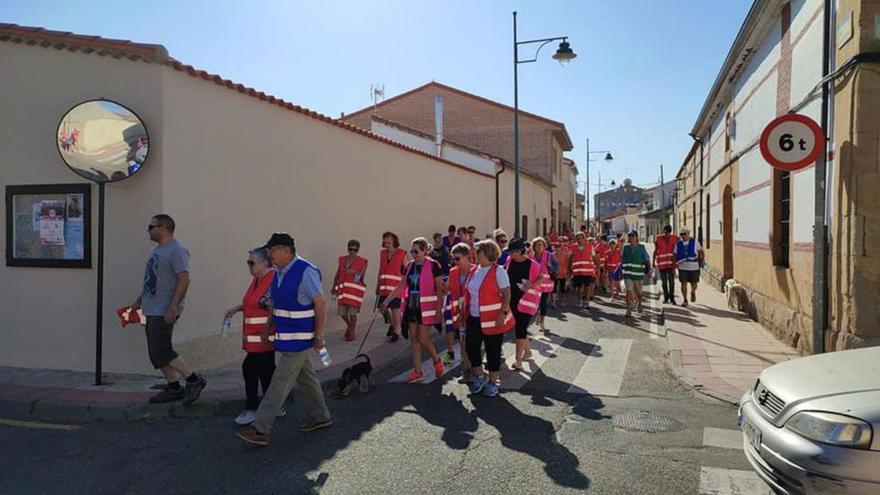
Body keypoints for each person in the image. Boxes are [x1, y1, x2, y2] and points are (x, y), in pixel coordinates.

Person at [237, 233, 332, 446]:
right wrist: (269, 326)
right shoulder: (279, 272)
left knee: (280, 381)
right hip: (287, 338)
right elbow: (276, 303)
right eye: (268, 251)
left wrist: (319, 335)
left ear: (287, 251)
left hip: (300, 339)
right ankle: (321, 416)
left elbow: (321, 304)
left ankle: (261, 428)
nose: (269, 254)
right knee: (306, 378)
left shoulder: (305, 271)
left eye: (272, 250)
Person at [130, 214, 206, 404]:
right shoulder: (159, 250)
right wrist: (140, 300)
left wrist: (173, 307)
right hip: (152, 307)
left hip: (164, 309)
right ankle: (173, 387)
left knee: (161, 350)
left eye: (151, 226)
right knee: (155, 352)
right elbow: (154, 278)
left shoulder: (177, 249)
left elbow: (184, 279)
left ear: (163, 228)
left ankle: (194, 379)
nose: (148, 230)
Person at [223, 247, 277, 426]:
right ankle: (274, 407)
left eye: (251, 262)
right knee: (265, 373)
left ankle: (252, 408)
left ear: (264, 263)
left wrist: (266, 330)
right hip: (254, 338)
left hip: (263, 338)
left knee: (251, 369)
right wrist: (237, 308)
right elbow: (253, 302)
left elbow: (271, 307)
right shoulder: (257, 280)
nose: (248, 265)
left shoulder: (271, 280)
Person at [381, 238, 445, 383]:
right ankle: (417, 371)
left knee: (423, 339)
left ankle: (436, 359)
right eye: (412, 251)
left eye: (416, 251)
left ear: (424, 251)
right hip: (412, 306)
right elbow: (401, 286)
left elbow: (440, 289)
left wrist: (439, 309)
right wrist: (387, 301)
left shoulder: (434, 265)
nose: (414, 254)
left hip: (426, 308)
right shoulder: (409, 266)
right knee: (414, 340)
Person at [464, 240, 514, 397]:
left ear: (486, 253)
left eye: (478, 251)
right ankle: (480, 376)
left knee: (493, 351)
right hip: (474, 317)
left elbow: (506, 294)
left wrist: (503, 313)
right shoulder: (474, 270)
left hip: (493, 318)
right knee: (471, 347)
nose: (475, 254)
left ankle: (493, 382)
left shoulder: (498, 271)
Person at [505, 238, 542, 371]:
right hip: (512, 301)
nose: (510, 254)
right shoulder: (509, 261)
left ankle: (518, 361)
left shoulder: (532, 265)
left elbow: (541, 277)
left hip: (526, 303)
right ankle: (528, 352)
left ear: (520, 251)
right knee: (520, 329)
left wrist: (532, 284)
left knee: (519, 330)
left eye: (513, 252)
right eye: (510, 252)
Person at [447, 243, 477, 383]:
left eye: (457, 258)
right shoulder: (453, 272)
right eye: (453, 259)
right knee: (463, 343)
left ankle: (476, 370)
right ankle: (466, 370)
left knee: (472, 343)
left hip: (474, 313)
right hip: (459, 314)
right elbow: (449, 290)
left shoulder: (476, 271)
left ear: (467, 257)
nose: (455, 262)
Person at [331, 240, 368, 342]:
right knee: (342, 313)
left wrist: (354, 272)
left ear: (358, 250)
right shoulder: (342, 260)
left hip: (354, 292)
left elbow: (362, 276)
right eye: (350, 249)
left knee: (352, 314)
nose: (352, 251)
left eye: (355, 249)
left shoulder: (362, 261)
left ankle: (351, 333)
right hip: (343, 291)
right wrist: (334, 286)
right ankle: (349, 327)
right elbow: (338, 274)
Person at [377, 232, 407, 343]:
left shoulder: (401, 253)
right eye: (385, 243)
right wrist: (378, 285)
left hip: (396, 288)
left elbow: (407, 268)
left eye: (389, 243)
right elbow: (380, 270)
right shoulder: (382, 254)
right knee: (382, 308)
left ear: (394, 242)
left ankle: (396, 332)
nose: (387, 245)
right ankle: (392, 324)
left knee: (395, 311)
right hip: (384, 288)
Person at [622, 230, 651, 318]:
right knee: (628, 291)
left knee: (638, 293)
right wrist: (620, 271)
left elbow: (647, 259)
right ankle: (628, 309)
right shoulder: (626, 248)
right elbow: (622, 260)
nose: (631, 237)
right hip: (628, 274)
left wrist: (649, 270)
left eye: (633, 236)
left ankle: (639, 303)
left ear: (636, 237)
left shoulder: (642, 247)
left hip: (638, 274)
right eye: (629, 236)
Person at [530, 237, 557, 332]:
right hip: (534, 284)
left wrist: (550, 266)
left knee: (543, 303)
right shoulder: (530, 256)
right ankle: (538, 314)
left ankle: (542, 321)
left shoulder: (549, 256)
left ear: (544, 246)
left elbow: (556, 268)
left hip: (545, 285)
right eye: (537, 245)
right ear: (534, 246)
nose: (539, 247)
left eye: (541, 245)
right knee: (536, 303)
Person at [675, 228, 704, 307]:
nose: (683, 236)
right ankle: (685, 300)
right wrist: (674, 264)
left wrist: (702, 261)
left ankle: (693, 292)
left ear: (688, 234)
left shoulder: (694, 242)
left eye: (685, 234)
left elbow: (701, 252)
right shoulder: (678, 244)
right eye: (681, 234)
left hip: (694, 267)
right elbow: (675, 254)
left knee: (694, 283)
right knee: (683, 284)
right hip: (682, 267)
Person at [570, 232, 598, 309]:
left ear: (584, 238)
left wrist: (597, 267)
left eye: (581, 238)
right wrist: (569, 268)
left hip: (588, 271)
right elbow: (569, 258)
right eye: (577, 238)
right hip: (577, 271)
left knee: (587, 287)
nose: (579, 240)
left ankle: (587, 302)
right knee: (579, 287)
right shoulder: (573, 247)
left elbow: (595, 257)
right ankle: (580, 301)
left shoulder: (590, 246)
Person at [653, 225, 679, 305]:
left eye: (667, 233)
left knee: (671, 282)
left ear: (670, 232)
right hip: (662, 265)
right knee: (664, 282)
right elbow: (655, 250)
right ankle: (666, 297)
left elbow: (679, 248)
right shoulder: (658, 239)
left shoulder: (675, 238)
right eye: (664, 232)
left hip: (671, 264)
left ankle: (672, 298)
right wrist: (653, 262)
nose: (665, 234)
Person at [552, 237, 571, 308]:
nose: (557, 248)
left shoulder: (564, 255)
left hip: (562, 273)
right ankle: (553, 302)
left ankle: (563, 301)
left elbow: (566, 264)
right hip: (555, 273)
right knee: (554, 288)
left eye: (559, 247)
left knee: (563, 289)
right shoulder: (552, 255)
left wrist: (567, 272)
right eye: (556, 247)